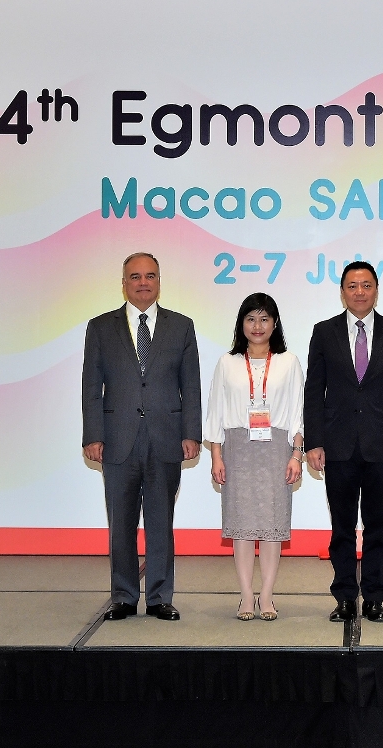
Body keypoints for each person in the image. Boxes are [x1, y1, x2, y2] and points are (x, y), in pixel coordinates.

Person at [82, 252, 201, 621]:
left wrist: (192, 432)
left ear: (159, 281)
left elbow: (190, 385)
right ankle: (123, 596)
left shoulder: (181, 326)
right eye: (135, 276)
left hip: (166, 437)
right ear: (124, 283)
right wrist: (92, 434)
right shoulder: (100, 327)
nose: (143, 282)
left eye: (150, 275)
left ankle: (160, 597)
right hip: (117, 439)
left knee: (160, 521)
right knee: (121, 522)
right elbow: (91, 386)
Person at [304, 261, 383, 624]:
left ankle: (374, 598)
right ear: (342, 291)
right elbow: (313, 391)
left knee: (377, 528)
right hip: (336, 446)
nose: (359, 292)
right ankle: (344, 597)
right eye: (352, 286)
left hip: (382, 446)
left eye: (366, 285)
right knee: (341, 528)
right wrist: (314, 441)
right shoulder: (324, 332)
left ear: (376, 289)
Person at [205, 293, 304, 621]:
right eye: (250, 319)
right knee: (243, 527)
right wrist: (217, 456)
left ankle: (267, 596)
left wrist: (296, 455)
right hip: (237, 448)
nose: (257, 326)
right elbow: (216, 413)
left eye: (264, 319)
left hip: (276, 448)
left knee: (273, 524)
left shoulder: (289, 362)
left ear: (274, 323)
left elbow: (297, 413)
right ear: (241, 324)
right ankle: (246, 595)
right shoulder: (227, 362)